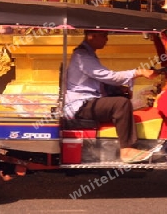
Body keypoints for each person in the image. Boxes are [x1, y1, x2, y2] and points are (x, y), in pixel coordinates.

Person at [64, 30, 157, 163]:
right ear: (92, 36)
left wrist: (118, 88)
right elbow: (109, 76)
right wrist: (139, 72)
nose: (106, 39)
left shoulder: (87, 54)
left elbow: (98, 81)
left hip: (88, 100)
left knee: (121, 97)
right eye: (104, 36)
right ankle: (126, 150)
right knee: (121, 104)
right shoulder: (82, 56)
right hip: (81, 105)